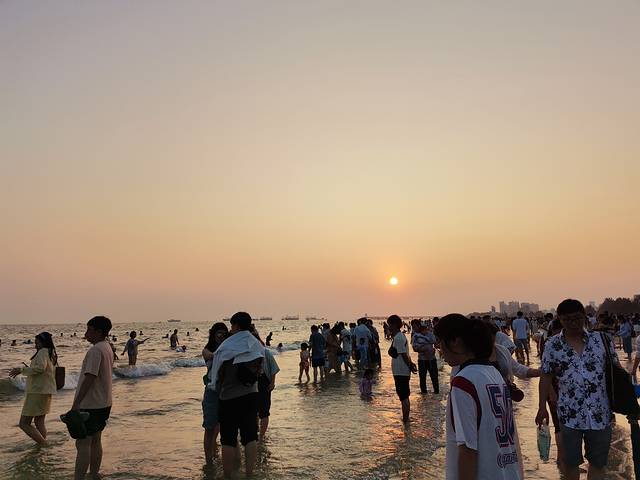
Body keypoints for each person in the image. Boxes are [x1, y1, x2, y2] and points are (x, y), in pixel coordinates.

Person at [536, 299, 615, 480]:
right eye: (567, 319)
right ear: (560, 319)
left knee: (598, 463)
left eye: (577, 318)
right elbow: (545, 376)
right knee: (570, 463)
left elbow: (615, 372)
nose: (573, 323)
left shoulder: (601, 340)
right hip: (569, 414)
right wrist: (542, 407)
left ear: (584, 317)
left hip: (600, 413)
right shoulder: (552, 345)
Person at [436, 314, 522, 480]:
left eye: (439, 341)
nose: (438, 348)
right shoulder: (495, 374)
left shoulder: (463, 382)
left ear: (455, 341)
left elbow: (468, 448)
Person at [208, 312, 264, 477]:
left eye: (232, 325)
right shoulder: (256, 344)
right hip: (251, 395)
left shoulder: (226, 346)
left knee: (228, 439)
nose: (230, 329)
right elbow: (261, 369)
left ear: (237, 326)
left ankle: (228, 475)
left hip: (229, 398)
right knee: (250, 437)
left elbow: (216, 373)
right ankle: (250, 474)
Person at [71, 316, 114, 480]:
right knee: (96, 440)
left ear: (99, 331)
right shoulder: (107, 347)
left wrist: (76, 403)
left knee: (82, 443)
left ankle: (79, 478)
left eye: (89, 330)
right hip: (104, 402)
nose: (86, 333)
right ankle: (94, 474)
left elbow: (90, 377)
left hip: (91, 404)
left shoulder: (95, 350)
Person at [9, 331, 58, 445]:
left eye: (37, 343)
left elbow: (40, 368)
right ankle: (41, 446)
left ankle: (44, 444)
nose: (36, 345)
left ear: (43, 342)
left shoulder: (42, 352)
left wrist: (21, 370)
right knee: (39, 421)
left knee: (24, 423)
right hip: (46, 390)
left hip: (37, 391)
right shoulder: (51, 353)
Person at [202, 322, 228, 465]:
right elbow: (209, 355)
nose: (221, 336)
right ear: (213, 334)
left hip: (226, 391)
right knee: (209, 427)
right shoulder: (207, 350)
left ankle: (214, 450)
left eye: (224, 334)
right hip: (211, 393)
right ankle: (208, 461)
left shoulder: (229, 349)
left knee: (219, 426)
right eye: (219, 333)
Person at [387, 315, 417, 423]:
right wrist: (411, 364)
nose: (389, 327)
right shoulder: (398, 336)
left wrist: (410, 366)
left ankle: (405, 420)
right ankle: (406, 419)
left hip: (401, 371)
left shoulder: (399, 338)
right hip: (401, 371)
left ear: (395, 325)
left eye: (390, 324)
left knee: (403, 397)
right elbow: (405, 354)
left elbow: (404, 355)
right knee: (404, 396)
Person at [252, 329, 279, 441]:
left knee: (264, 411)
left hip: (264, 383)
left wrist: (272, 383)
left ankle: (261, 436)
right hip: (251, 383)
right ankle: (255, 432)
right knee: (253, 410)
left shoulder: (265, 352)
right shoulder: (246, 354)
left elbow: (274, 368)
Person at [411, 321, 439, 394]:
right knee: (422, 378)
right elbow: (414, 348)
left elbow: (435, 342)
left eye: (415, 327)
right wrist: (425, 347)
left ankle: (437, 395)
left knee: (434, 377)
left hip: (431, 359)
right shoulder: (415, 336)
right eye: (413, 327)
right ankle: (424, 396)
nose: (414, 329)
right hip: (422, 359)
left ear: (419, 326)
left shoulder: (429, 333)